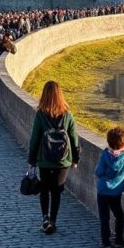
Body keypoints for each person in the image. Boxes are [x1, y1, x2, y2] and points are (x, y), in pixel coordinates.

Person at [27, 80, 80, 235]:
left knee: (44, 189)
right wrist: (76, 159)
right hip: (63, 161)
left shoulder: (40, 115)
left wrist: (31, 161)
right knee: (57, 191)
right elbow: (74, 139)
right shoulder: (67, 115)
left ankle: (45, 218)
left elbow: (34, 139)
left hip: (44, 159)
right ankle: (53, 221)